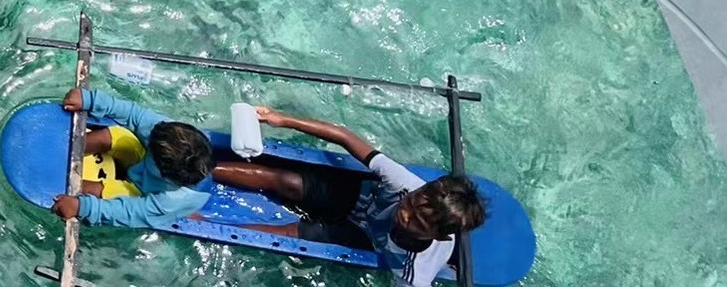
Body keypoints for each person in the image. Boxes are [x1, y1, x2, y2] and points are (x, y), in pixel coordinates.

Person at [211, 106, 487, 285]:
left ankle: (211, 225)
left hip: (363, 237)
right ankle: (202, 168)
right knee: (285, 181)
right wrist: (281, 119)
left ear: (438, 236)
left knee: (287, 233)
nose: (405, 214)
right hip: (359, 199)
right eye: (412, 204)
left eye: (418, 223)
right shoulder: (406, 184)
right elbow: (344, 136)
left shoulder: (414, 271)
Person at [49, 86, 216, 227]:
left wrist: (81, 208)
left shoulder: (170, 201)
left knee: (99, 191)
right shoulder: (167, 133)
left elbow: (127, 212)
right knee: (119, 135)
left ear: (162, 173)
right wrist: (91, 100)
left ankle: (55, 182)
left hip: (141, 191)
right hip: (144, 164)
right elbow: (134, 114)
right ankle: (62, 148)